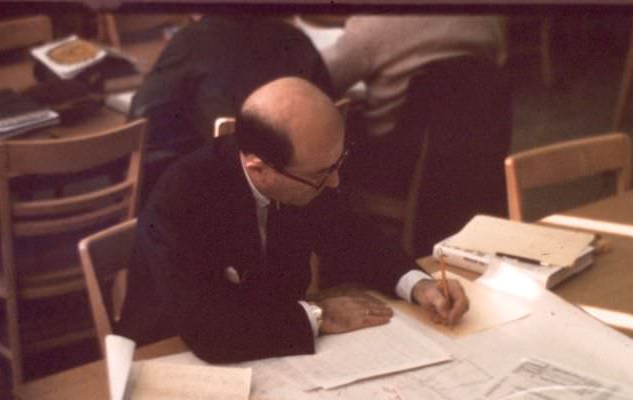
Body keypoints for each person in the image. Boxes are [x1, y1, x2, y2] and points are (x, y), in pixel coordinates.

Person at [118, 77, 469, 364]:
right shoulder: (183, 196)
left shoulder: (305, 169)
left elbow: (352, 236)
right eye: (322, 175)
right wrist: (319, 315)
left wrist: (418, 285)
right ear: (260, 169)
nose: (334, 183)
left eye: (337, 164)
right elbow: (208, 330)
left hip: (271, 351)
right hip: (169, 357)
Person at [321, 15, 512, 256]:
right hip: (476, 165)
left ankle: (338, 261)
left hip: (399, 170)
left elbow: (315, 77)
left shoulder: (376, 23)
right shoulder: (487, 18)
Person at [128, 15, 334, 203]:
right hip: (303, 190)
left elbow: (139, 116)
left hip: (225, 194)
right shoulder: (297, 37)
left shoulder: (192, 40)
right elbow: (332, 110)